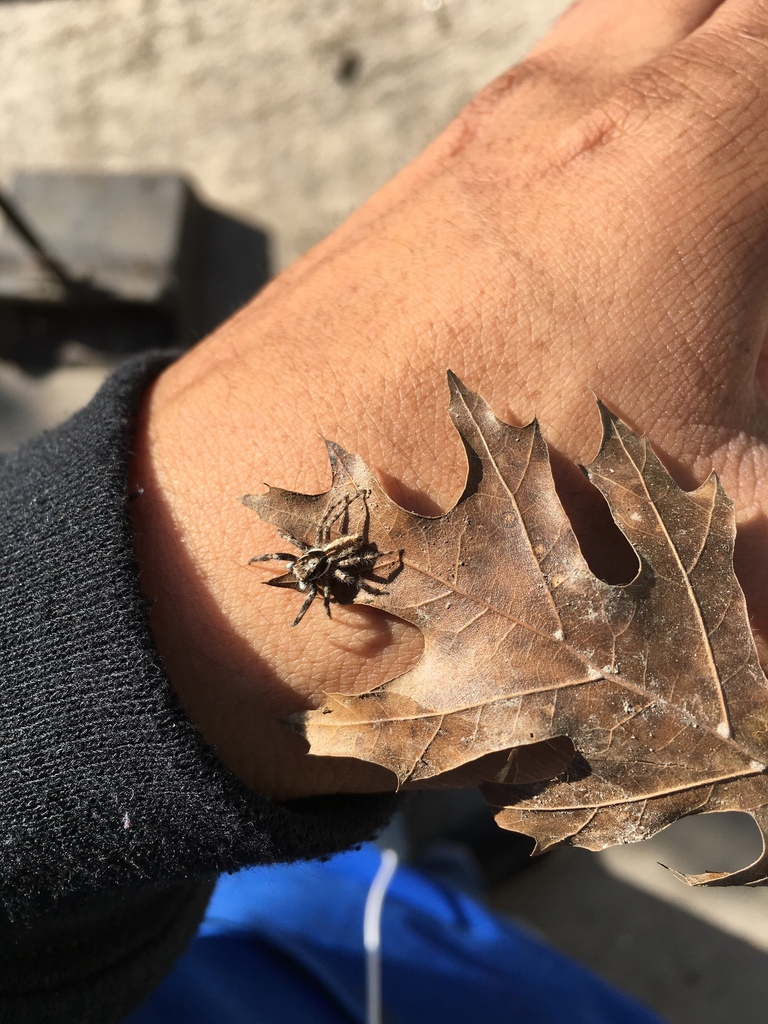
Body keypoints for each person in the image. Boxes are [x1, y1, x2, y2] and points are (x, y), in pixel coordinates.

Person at [2, 0, 767, 1018]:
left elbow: (336, 568)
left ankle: (422, 875)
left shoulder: (331, 565)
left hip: (169, 948)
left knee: (333, 892)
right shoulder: (327, 570)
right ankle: (426, 878)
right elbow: (331, 574)